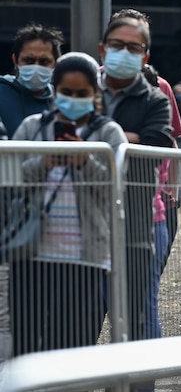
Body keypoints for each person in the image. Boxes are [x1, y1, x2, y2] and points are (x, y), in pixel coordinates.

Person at [10, 52, 127, 356]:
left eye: (81, 93)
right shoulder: (32, 127)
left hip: (86, 258)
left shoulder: (108, 132)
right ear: (54, 91)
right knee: (27, 344)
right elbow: (11, 180)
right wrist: (43, 162)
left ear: (94, 93)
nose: (73, 99)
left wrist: (85, 160)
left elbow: (115, 189)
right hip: (32, 254)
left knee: (75, 347)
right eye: (66, 92)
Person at [99, 16, 174, 391]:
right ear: (102, 48)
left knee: (140, 319)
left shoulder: (156, 99)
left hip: (140, 225)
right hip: (85, 228)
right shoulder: (78, 87)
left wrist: (96, 136)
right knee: (84, 319)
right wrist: (124, 138)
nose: (124, 53)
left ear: (145, 56)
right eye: (117, 44)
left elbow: (153, 147)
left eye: (133, 48)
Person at [0, 23, 63, 137]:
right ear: (15, 60)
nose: (36, 67)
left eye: (44, 61)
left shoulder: (63, 101)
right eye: (29, 60)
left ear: (55, 63)